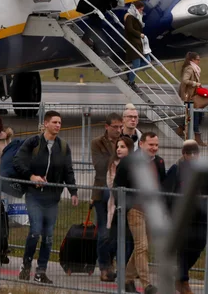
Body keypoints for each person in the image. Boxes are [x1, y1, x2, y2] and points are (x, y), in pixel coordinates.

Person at [15, 110, 79, 285]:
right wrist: (31, 176)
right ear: (46, 124)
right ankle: (26, 265)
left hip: (52, 198)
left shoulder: (63, 147)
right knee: (35, 231)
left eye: (60, 122)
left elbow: (68, 170)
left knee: (49, 236)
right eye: (54, 122)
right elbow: (18, 161)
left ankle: (41, 271)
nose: (58, 125)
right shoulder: (33, 143)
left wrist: (73, 191)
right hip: (34, 195)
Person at [163, 140, 208, 294]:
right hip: (181, 216)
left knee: (198, 245)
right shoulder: (176, 170)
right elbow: (166, 194)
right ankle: (184, 281)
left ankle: (179, 276)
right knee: (183, 248)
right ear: (184, 155)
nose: (193, 157)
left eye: (196, 154)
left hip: (200, 216)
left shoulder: (204, 172)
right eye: (189, 154)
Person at [113, 132, 165, 294]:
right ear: (141, 144)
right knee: (142, 246)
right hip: (134, 209)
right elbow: (118, 186)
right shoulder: (128, 162)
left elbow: (161, 186)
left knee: (142, 248)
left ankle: (127, 279)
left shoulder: (159, 162)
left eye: (156, 145)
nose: (154, 148)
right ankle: (147, 284)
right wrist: (122, 206)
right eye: (151, 145)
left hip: (152, 210)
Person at [91, 113, 122, 282]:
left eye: (120, 127)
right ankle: (104, 267)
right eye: (115, 127)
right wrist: (117, 153)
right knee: (104, 232)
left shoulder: (124, 141)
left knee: (116, 233)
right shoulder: (97, 143)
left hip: (119, 193)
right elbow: (100, 166)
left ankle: (112, 264)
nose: (118, 130)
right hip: (102, 192)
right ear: (107, 127)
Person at [107, 136, 132, 267]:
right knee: (113, 237)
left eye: (122, 147)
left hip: (130, 207)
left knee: (128, 239)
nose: (119, 149)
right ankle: (111, 261)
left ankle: (124, 268)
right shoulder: (113, 165)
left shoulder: (133, 164)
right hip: (116, 205)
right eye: (117, 147)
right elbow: (111, 185)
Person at [178, 52, 206, 147]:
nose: (199, 61)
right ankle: (197, 137)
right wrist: (195, 83)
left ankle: (181, 128)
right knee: (196, 115)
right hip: (190, 96)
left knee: (193, 114)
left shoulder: (195, 68)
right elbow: (185, 80)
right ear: (192, 60)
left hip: (193, 95)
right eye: (197, 59)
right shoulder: (190, 69)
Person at [124, 1, 146, 89]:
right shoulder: (129, 17)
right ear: (136, 8)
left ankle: (128, 72)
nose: (141, 11)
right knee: (136, 64)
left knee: (146, 61)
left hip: (139, 43)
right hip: (133, 43)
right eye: (140, 9)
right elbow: (129, 29)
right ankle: (131, 82)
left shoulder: (137, 17)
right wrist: (139, 34)